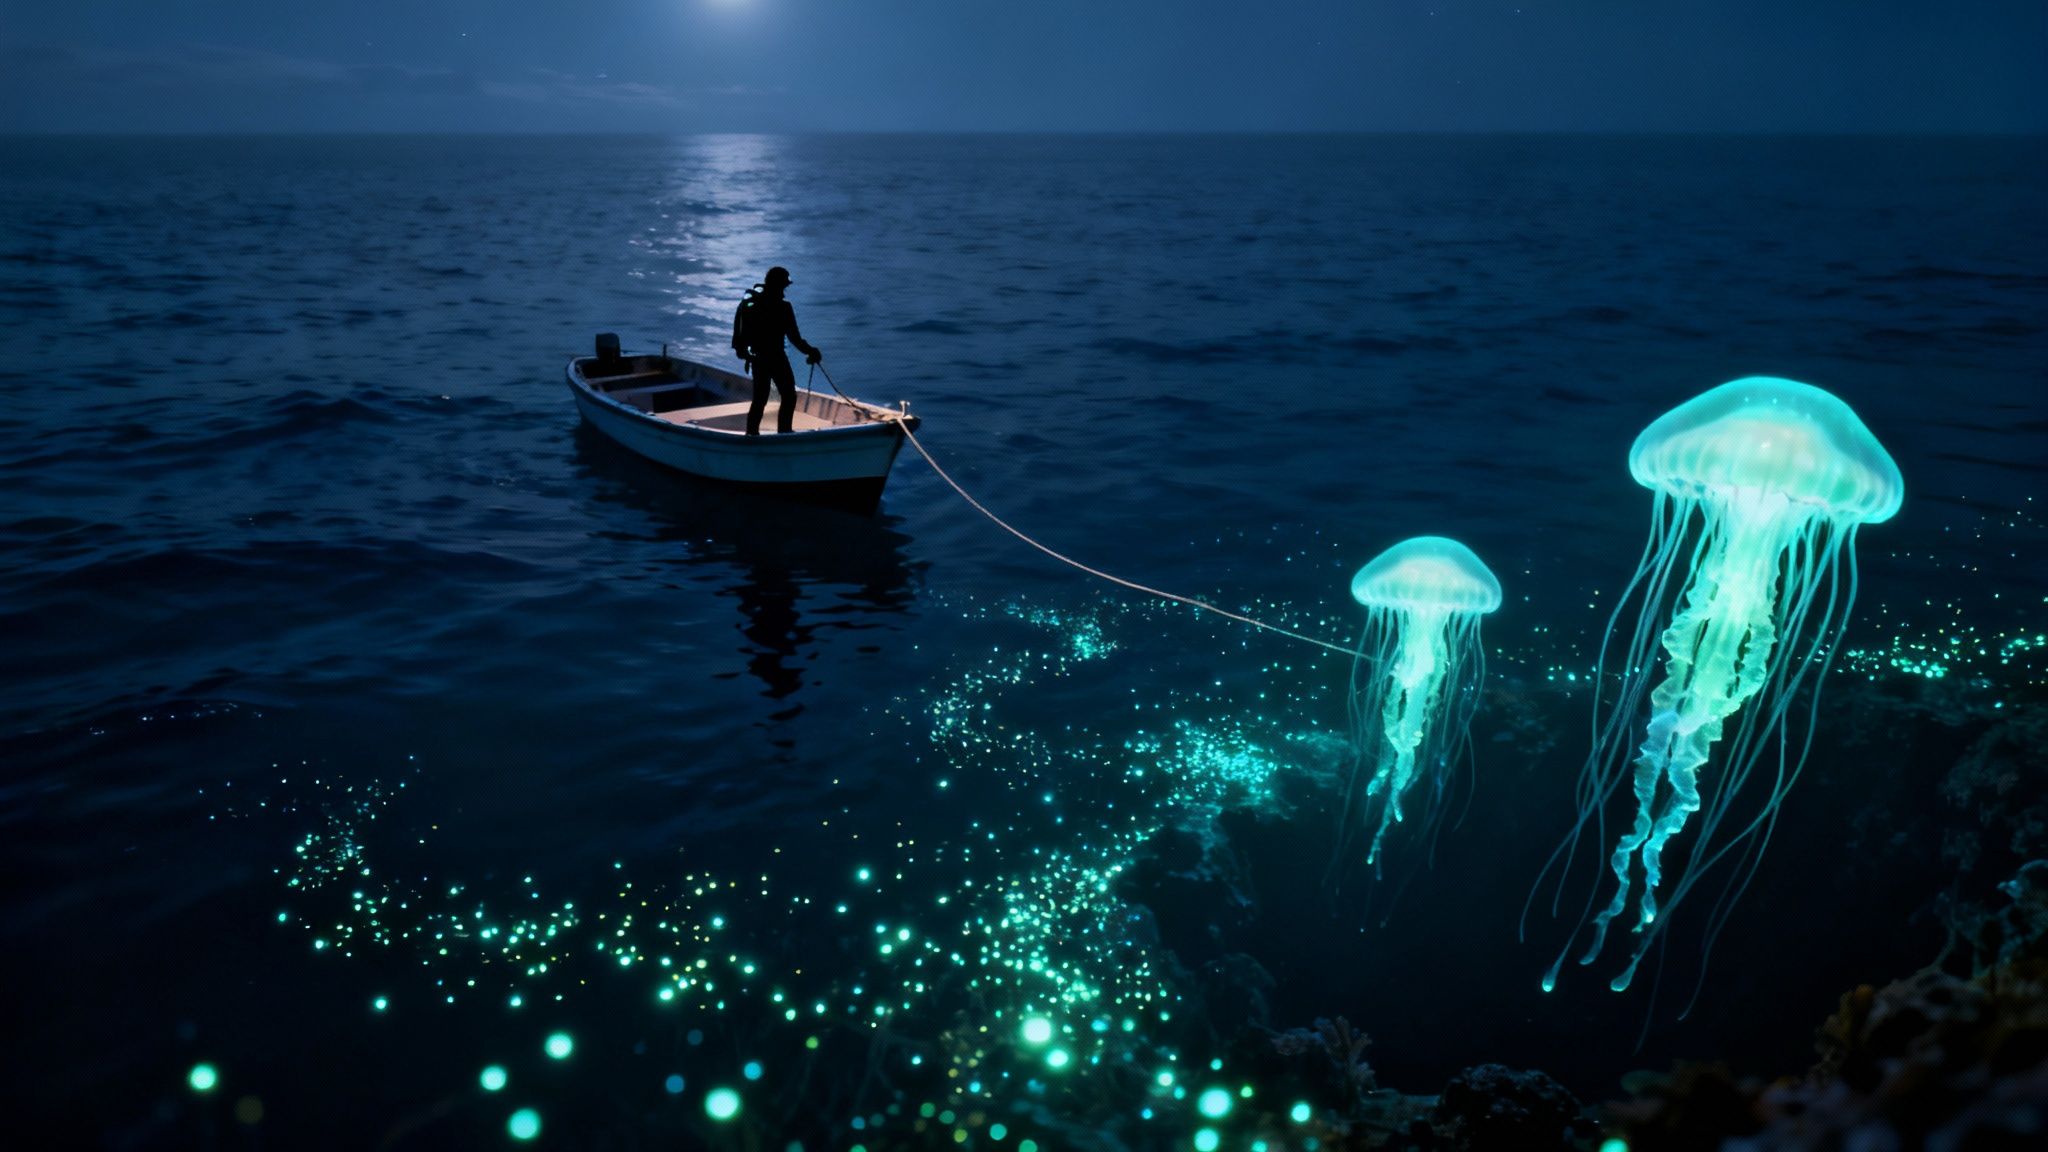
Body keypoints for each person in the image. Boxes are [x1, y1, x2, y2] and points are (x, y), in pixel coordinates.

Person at [733, 266, 822, 436]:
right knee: (788, 396)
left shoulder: (753, 304)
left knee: (760, 399)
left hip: (758, 358)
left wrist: (810, 351)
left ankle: (752, 434)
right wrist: (811, 351)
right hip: (775, 358)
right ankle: (784, 432)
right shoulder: (783, 307)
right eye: (784, 286)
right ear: (780, 285)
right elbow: (795, 338)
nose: (785, 290)